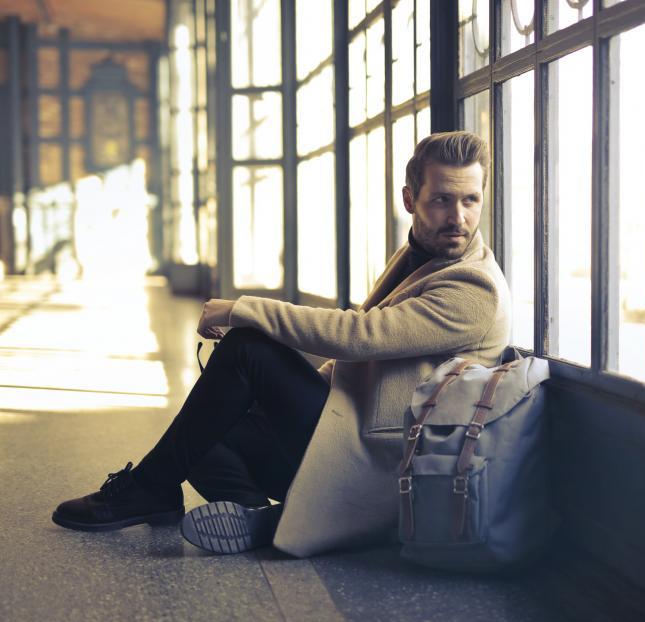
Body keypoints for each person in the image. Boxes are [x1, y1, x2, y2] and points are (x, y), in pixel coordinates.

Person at [52, 131, 511, 556]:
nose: (459, 217)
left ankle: (153, 489)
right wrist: (264, 406)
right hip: (350, 431)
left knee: (248, 348)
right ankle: (264, 516)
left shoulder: (474, 289)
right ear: (410, 200)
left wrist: (241, 309)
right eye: (442, 200)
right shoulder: (420, 257)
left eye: (471, 200)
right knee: (205, 432)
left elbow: (361, 336)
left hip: (382, 468)